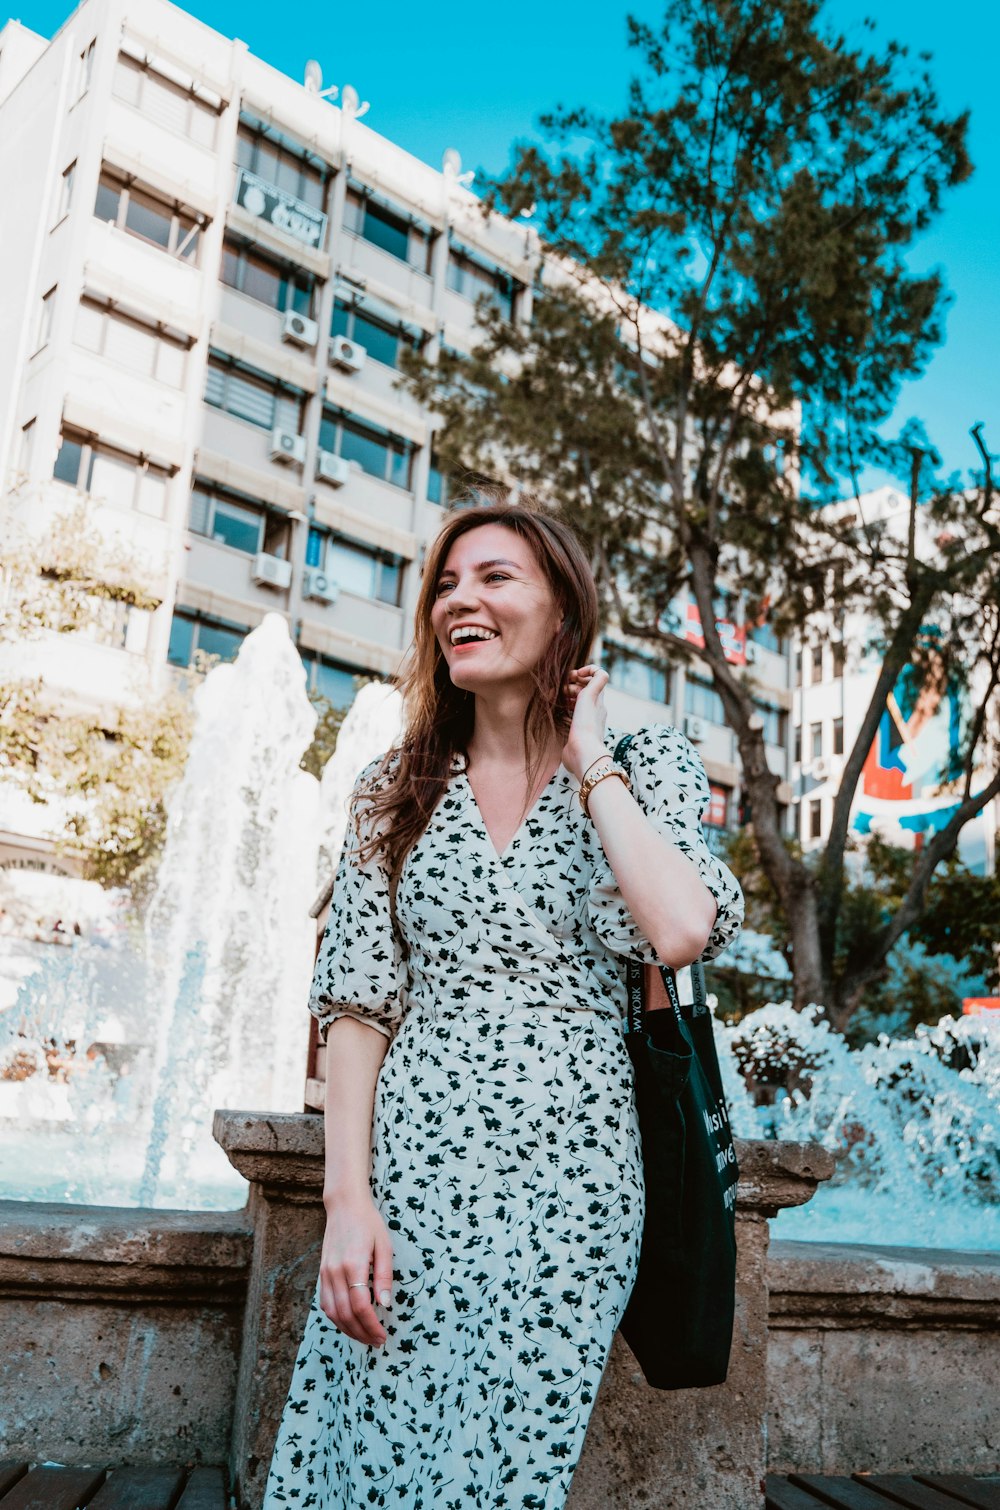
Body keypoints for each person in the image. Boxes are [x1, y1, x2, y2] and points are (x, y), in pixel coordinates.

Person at [263, 497, 743, 1509]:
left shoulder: (643, 763)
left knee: (505, 1471)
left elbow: (682, 928)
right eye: (445, 582)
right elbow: (358, 1009)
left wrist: (591, 758)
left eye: (494, 578)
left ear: (563, 608)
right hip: (414, 1178)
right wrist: (347, 1200)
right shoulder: (394, 787)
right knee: (366, 1457)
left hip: (575, 1187)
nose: (459, 600)